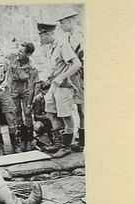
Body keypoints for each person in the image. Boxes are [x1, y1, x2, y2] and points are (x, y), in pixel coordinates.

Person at [37, 22, 81, 158]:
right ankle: (58, 142)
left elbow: (77, 64)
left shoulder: (62, 45)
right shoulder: (51, 47)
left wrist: (62, 77)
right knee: (50, 113)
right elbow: (53, 67)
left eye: (41, 35)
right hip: (54, 86)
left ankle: (65, 146)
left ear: (48, 34)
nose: (40, 38)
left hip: (63, 86)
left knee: (66, 116)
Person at [55, 9, 85, 152]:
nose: (61, 26)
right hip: (76, 76)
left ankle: (83, 142)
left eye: (62, 23)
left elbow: (79, 59)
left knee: (82, 109)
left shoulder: (78, 36)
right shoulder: (71, 36)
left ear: (70, 21)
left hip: (81, 76)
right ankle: (81, 139)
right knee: (79, 109)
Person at [8, 42, 39, 151]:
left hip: (26, 90)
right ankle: (21, 139)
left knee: (27, 113)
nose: (18, 53)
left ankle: (29, 139)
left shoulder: (32, 67)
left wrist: (29, 104)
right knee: (17, 113)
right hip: (14, 90)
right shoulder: (12, 57)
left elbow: (32, 87)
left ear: (28, 54)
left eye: (21, 51)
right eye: (18, 50)